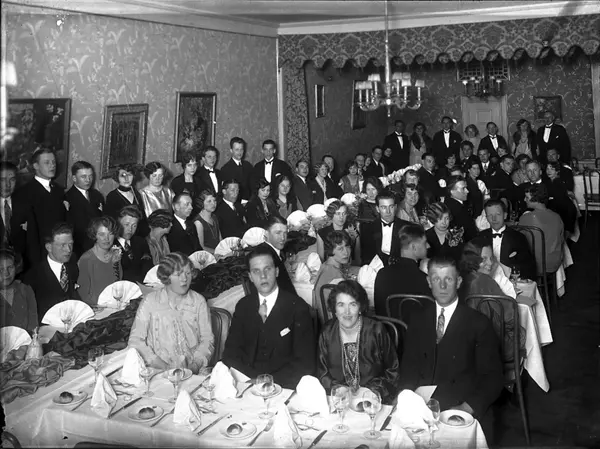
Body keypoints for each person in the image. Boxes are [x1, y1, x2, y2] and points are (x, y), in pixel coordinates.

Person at [398, 255, 503, 419]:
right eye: (436, 279)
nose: (442, 285)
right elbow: (408, 368)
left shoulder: (478, 323)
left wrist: (466, 408)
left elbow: (493, 377)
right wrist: (406, 398)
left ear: (459, 282)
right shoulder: (418, 319)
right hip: (421, 407)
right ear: (429, 282)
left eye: (448, 279)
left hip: (460, 406)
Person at [222, 245, 315, 388]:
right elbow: (231, 352)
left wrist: (267, 383)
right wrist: (245, 382)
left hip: (283, 387)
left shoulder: (297, 307)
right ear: (250, 277)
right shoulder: (243, 306)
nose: (263, 276)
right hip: (246, 384)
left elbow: (305, 364)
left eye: (267, 269)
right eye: (256, 271)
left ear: (277, 271)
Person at [128, 252, 214, 373]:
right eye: (178, 274)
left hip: (193, 370)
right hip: (158, 371)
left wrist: (195, 365)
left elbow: (207, 339)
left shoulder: (198, 301)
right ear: (166, 277)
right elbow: (135, 341)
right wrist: (163, 366)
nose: (184, 279)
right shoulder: (150, 302)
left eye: (188, 273)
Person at [318, 280, 399, 403]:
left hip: (372, 400)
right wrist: (336, 388)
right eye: (341, 305)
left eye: (353, 304)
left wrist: (372, 391)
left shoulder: (376, 330)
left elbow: (392, 371)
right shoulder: (327, 332)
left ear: (360, 307)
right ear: (334, 309)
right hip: (340, 400)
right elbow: (322, 373)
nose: (347, 312)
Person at [13, 148, 66, 264]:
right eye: (47, 162)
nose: (52, 165)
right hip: (37, 256)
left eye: (53, 162)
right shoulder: (24, 193)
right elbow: (22, 233)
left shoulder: (58, 190)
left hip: (60, 252)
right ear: (36, 166)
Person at [374, 223, 431, 319]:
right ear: (414, 247)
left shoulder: (382, 274)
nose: (428, 246)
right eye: (425, 243)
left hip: (387, 327)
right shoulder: (424, 280)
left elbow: (379, 311)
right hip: (415, 328)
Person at [22, 223, 79, 318]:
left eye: (71, 244)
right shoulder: (33, 277)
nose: (68, 250)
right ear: (49, 247)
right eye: (63, 245)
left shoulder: (73, 267)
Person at [480, 200, 536, 280]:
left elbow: (528, 267)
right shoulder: (480, 237)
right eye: (490, 215)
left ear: (505, 215)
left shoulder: (518, 238)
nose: (494, 219)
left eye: (498, 214)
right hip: (486, 280)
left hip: (510, 280)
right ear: (486, 217)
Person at [77, 216, 122, 306]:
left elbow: (119, 284)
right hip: (96, 309)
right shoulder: (86, 259)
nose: (106, 238)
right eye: (102, 234)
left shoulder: (115, 255)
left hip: (115, 305)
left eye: (110, 234)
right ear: (94, 236)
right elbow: (83, 294)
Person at [519, 184, 564, 273]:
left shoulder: (526, 217)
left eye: (527, 197)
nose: (524, 200)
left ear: (536, 199)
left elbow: (519, 241)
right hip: (555, 262)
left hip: (535, 264)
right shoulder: (557, 217)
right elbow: (561, 239)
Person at [65, 161, 105, 258]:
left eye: (90, 176)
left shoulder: (97, 195)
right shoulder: (67, 198)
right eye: (83, 177)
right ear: (74, 178)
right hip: (80, 248)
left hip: (99, 245)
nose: (88, 180)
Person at [313, 231, 353, 324]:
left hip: (326, 323)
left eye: (347, 247)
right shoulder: (336, 276)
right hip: (337, 325)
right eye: (340, 249)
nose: (346, 252)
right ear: (331, 251)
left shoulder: (325, 266)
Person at [360, 190, 409, 266]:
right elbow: (365, 257)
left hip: (400, 268)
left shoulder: (406, 227)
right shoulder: (367, 228)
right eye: (383, 207)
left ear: (395, 207)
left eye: (391, 207)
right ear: (377, 209)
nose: (388, 211)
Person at [0, 162, 31, 272]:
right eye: (2, 180)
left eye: (12, 180)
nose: (7, 185)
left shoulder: (26, 203)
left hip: (21, 267)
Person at [256, 216, 296, 294]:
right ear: (266, 234)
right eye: (278, 233)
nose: (283, 238)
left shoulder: (272, 250)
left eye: (285, 233)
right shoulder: (265, 257)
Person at [0, 249, 38, 332]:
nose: (6, 273)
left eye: (10, 267)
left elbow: (33, 324)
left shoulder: (26, 290)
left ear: (16, 267)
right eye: (1, 269)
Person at [105, 163, 147, 236]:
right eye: (123, 175)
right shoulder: (112, 196)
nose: (126, 179)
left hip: (138, 235)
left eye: (129, 175)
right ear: (117, 177)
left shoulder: (136, 194)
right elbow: (111, 222)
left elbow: (142, 219)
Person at [114, 206, 153, 284]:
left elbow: (147, 265)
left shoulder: (140, 242)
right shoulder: (111, 244)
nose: (130, 229)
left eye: (134, 225)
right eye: (126, 224)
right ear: (118, 224)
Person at [220, 137, 254, 202]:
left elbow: (253, 186)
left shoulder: (248, 166)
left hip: (249, 202)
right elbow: (226, 192)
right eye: (237, 150)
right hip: (235, 202)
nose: (239, 152)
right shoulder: (225, 169)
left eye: (241, 149)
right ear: (231, 150)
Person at [445, 176, 478, 242]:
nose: (467, 191)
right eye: (463, 188)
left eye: (466, 188)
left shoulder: (452, 204)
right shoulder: (457, 209)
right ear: (452, 191)